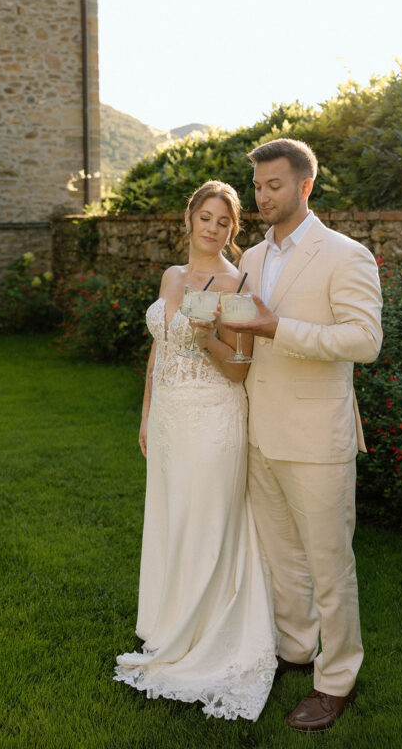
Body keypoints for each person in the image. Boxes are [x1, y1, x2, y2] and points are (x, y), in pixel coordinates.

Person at [222, 138, 382, 733]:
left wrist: (277, 327)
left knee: (330, 567)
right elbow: (244, 338)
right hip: (260, 433)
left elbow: (364, 341)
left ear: (305, 187)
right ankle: (295, 650)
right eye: (258, 187)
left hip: (317, 438)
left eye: (275, 186)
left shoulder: (345, 255)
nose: (263, 197)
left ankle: (336, 679)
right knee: (283, 558)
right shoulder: (253, 260)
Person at [114, 180, 278, 721]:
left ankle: (206, 634)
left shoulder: (237, 285)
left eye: (223, 222)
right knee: (173, 518)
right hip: (168, 422)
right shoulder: (171, 276)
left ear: (234, 230)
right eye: (205, 218)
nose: (212, 228)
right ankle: (167, 622)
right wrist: (146, 414)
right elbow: (160, 350)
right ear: (188, 219)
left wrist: (208, 334)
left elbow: (238, 371)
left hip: (213, 421)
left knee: (206, 521)